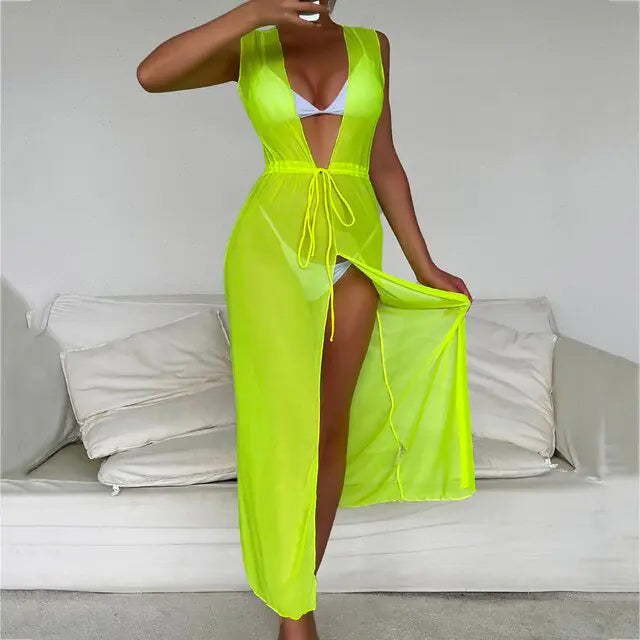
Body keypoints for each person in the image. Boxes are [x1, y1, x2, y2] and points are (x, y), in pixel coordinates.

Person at [137, 2, 475, 639]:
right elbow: (152, 75)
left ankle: (297, 593)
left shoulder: (373, 45)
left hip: (353, 246)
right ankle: (296, 614)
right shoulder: (252, 45)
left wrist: (424, 265)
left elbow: (383, 163)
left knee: (329, 427)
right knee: (281, 428)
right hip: (269, 249)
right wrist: (255, 11)